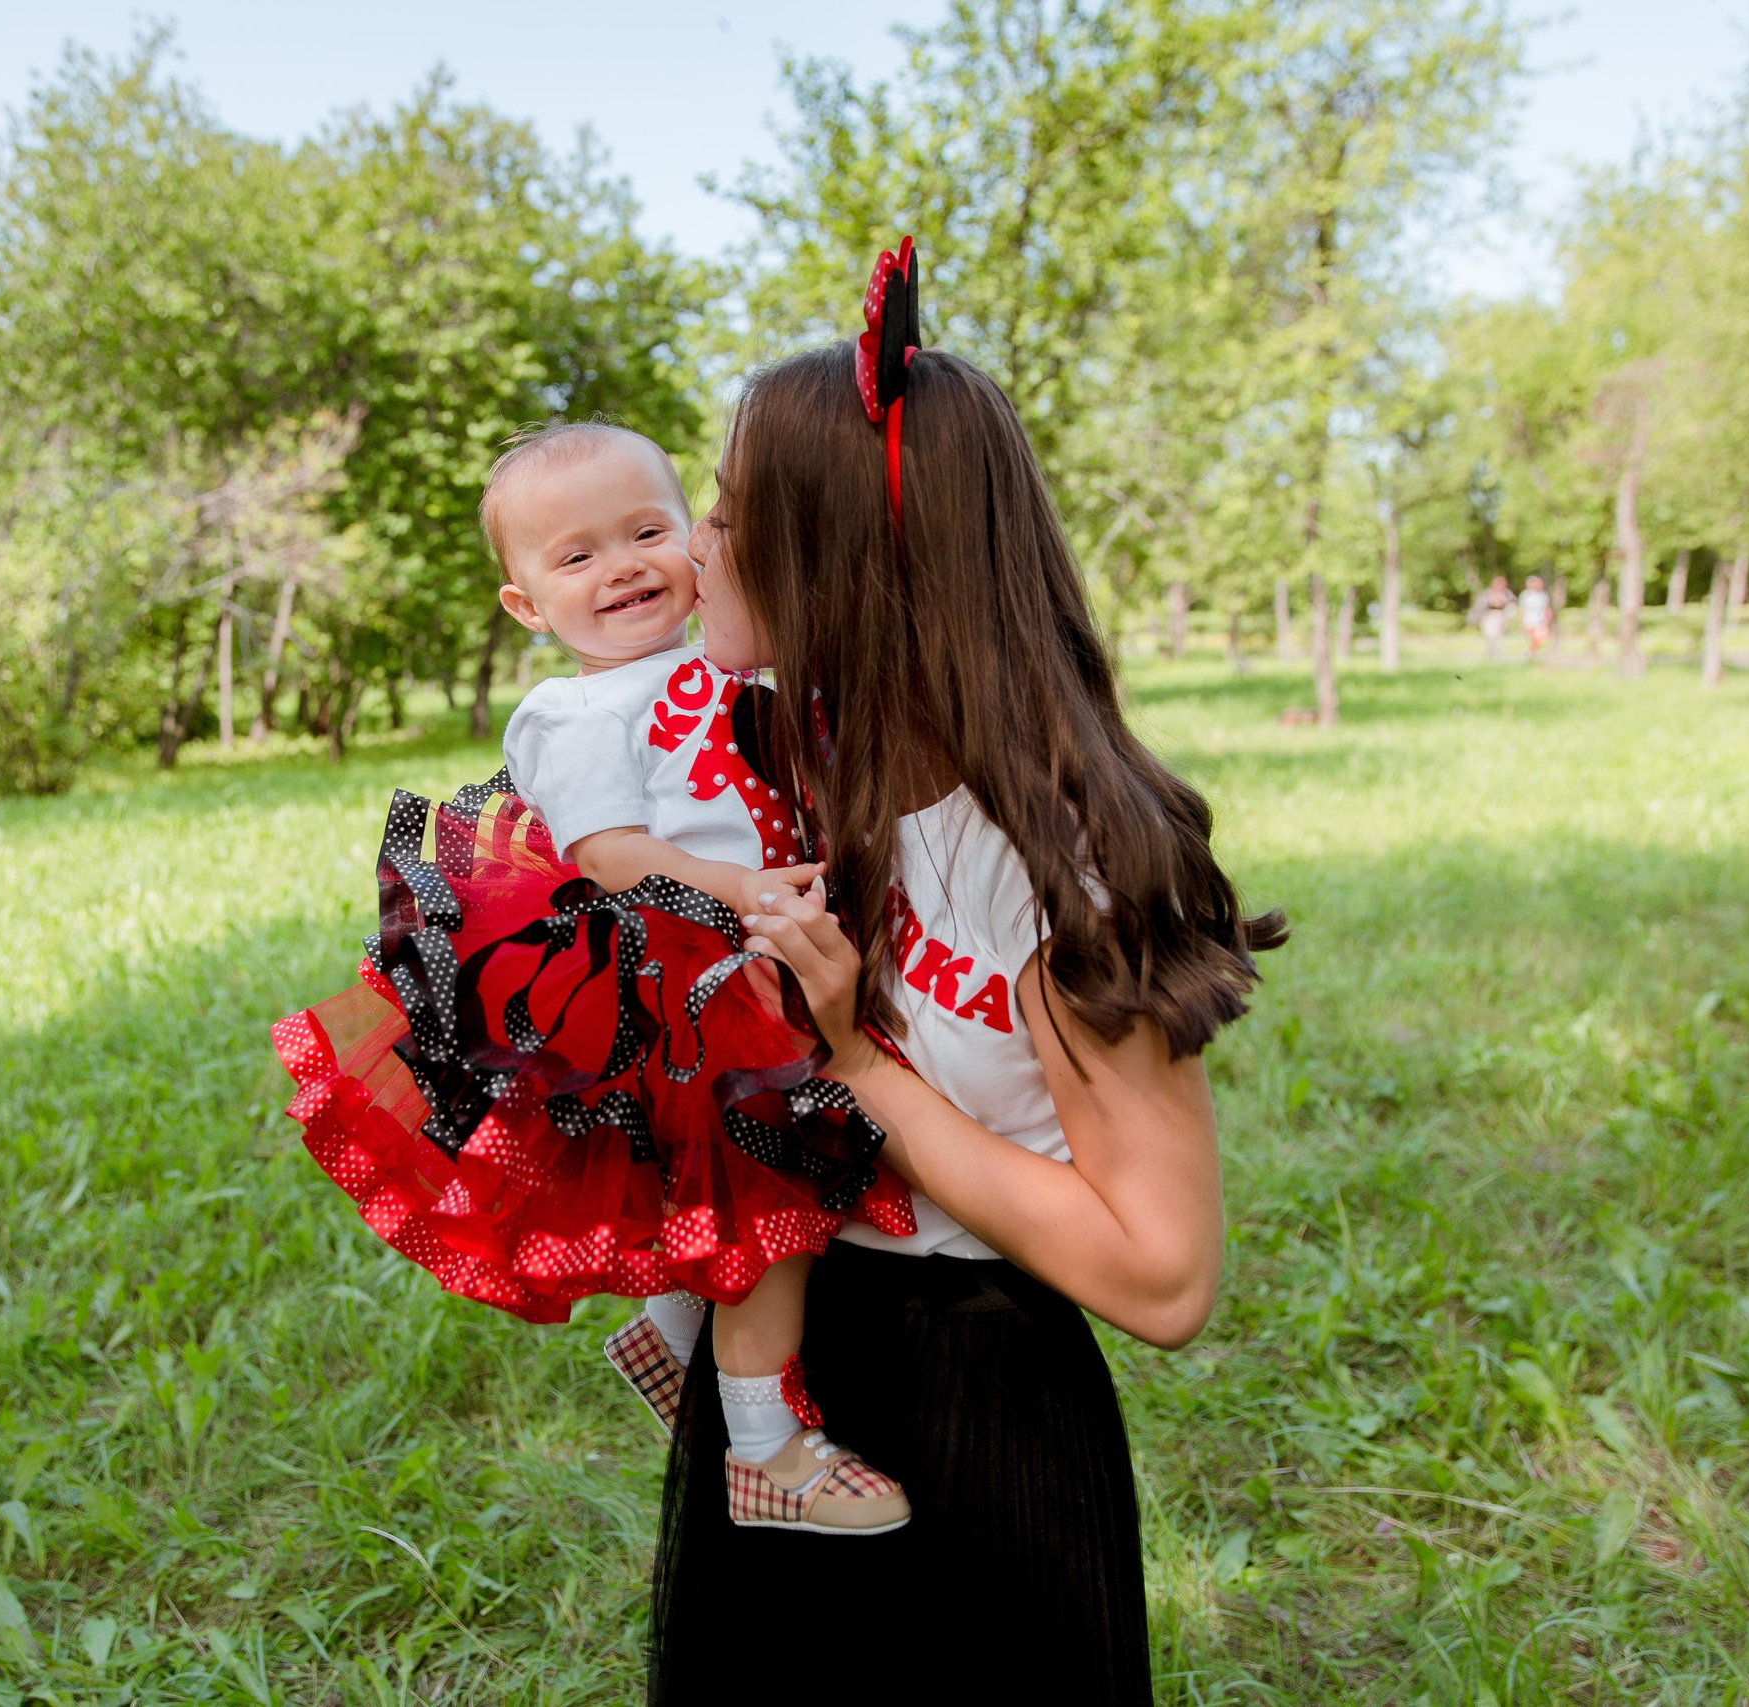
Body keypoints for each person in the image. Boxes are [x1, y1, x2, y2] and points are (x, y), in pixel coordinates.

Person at [647, 241, 1285, 1702]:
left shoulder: (1062, 863)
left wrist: (858, 1065)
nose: (695, 551)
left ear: (837, 560)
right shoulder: (764, 770)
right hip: (793, 1378)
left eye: (729, 518)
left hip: (971, 1396)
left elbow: (1165, 1270)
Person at [270, 419, 916, 1538]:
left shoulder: (724, 662)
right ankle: (766, 1451)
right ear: (527, 606)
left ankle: (669, 1339)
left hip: (746, 950)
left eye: (646, 531)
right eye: (575, 557)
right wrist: (738, 890)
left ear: (698, 544)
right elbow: (606, 853)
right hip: (684, 976)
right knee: (776, 1207)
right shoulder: (574, 712)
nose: (619, 566)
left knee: (706, 1188)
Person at [1518, 573, 1554, 658]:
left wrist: (1549, 620)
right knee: (1532, 639)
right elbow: (1522, 609)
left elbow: (1547, 608)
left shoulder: (1543, 595)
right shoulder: (1525, 595)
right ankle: (1531, 654)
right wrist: (1522, 621)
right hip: (1529, 620)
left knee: (1541, 638)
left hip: (1540, 620)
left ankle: (1529, 652)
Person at [1479, 574, 1514, 660]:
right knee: (1490, 633)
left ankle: (1497, 652)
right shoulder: (1488, 592)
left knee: (1499, 634)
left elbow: (1512, 603)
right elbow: (1480, 605)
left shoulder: (1507, 593)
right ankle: (1490, 650)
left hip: (1501, 615)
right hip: (1489, 615)